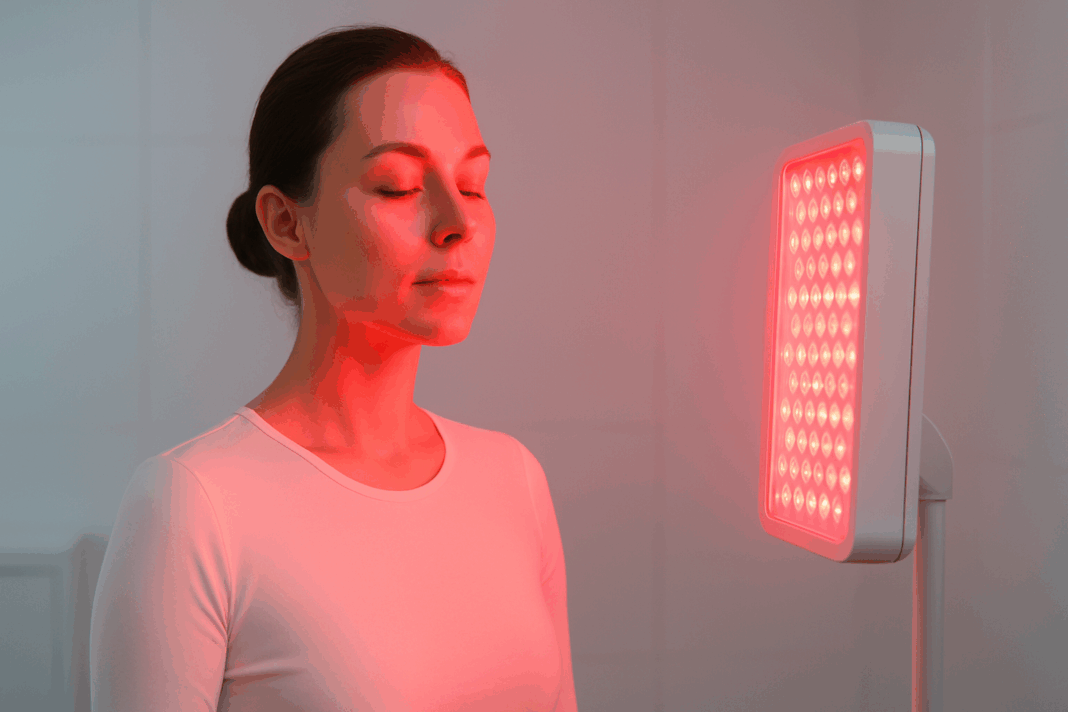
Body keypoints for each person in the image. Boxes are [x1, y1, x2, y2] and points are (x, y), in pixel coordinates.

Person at [89, 25, 577, 711]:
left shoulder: (514, 480)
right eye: (399, 186)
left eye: (473, 185)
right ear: (288, 225)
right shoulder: (193, 506)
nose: (456, 223)